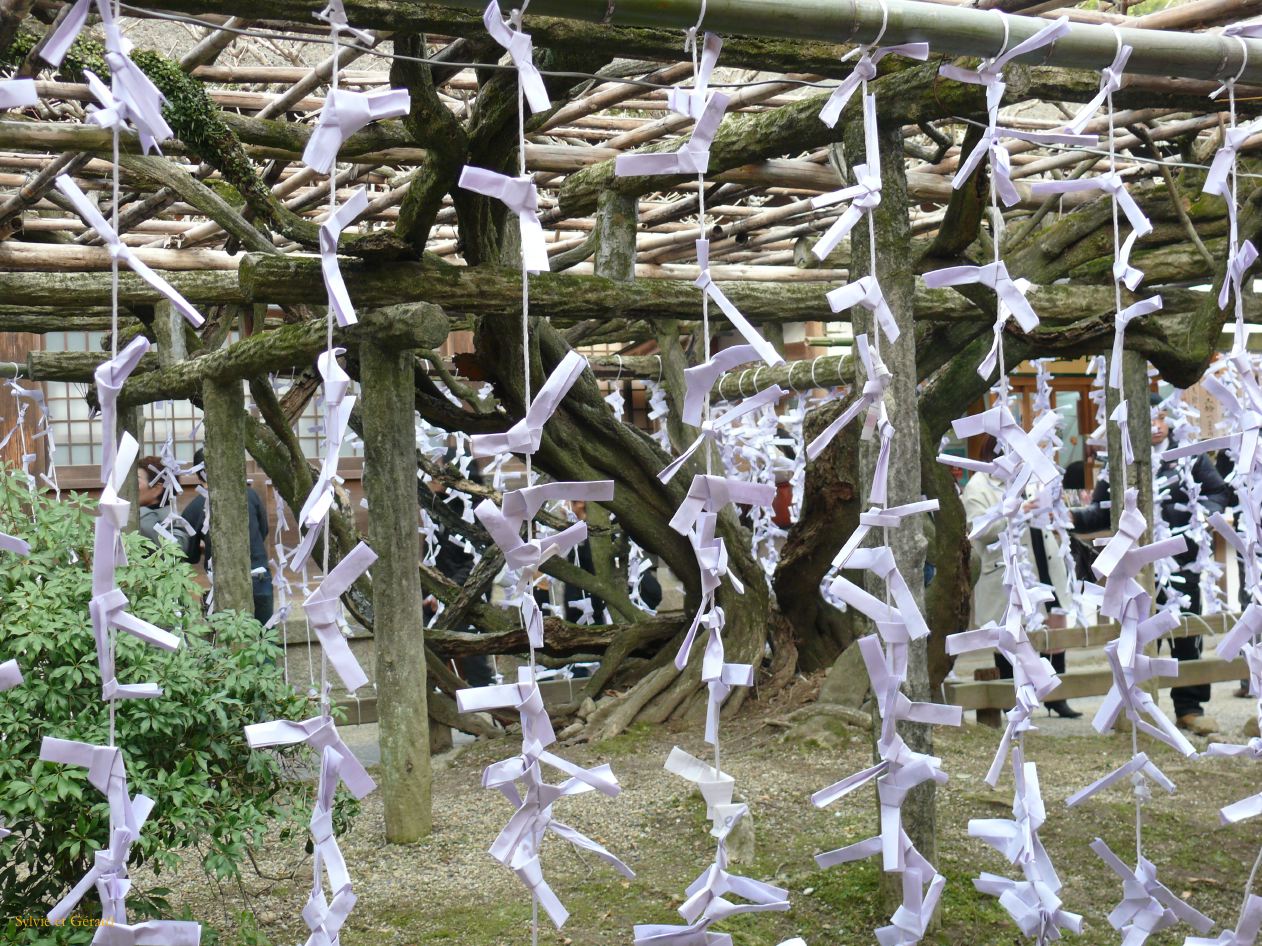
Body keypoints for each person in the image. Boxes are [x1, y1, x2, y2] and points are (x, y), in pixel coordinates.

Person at [1070, 394, 1231, 736]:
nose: (1156, 427)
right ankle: (1132, 705)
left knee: (1186, 631)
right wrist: (1070, 518)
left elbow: (1219, 493)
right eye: (1149, 420)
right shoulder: (1121, 461)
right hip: (1135, 567)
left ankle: (1190, 707)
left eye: (1161, 419)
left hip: (1180, 562)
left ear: (1170, 421)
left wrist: (1194, 517)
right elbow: (1102, 509)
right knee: (1132, 634)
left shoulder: (1190, 456)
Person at [963, 434, 1081, 719]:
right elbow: (979, 528)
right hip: (1007, 568)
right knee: (1010, 634)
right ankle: (1010, 697)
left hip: (1044, 560)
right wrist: (1019, 512)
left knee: (1055, 626)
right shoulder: (978, 485)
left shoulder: (1030, 478)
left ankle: (1056, 696)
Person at [422, 452, 495, 687]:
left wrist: (444, 594)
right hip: (436, 598)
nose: (429, 477)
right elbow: (432, 558)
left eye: (436, 471)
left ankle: (497, 716)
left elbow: (475, 562)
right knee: (433, 666)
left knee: (474, 665)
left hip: (466, 597)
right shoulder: (438, 508)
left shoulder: (475, 512)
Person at [182, 448, 274, 625]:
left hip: (225, 583)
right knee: (263, 641)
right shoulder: (250, 495)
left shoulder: (198, 505)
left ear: (199, 474)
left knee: (228, 645)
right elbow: (263, 531)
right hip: (259, 577)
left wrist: (203, 547)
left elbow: (188, 552)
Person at [136, 455, 168, 543]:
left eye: (136, 481)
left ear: (157, 489)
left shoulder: (172, 520)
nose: (130, 487)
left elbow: (174, 548)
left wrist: (140, 513)